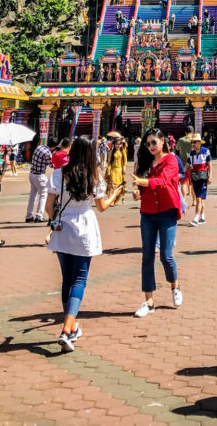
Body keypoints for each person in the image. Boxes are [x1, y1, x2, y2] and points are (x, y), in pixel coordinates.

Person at [45, 135, 124, 351]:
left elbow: (48, 205)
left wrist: (54, 220)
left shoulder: (59, 174)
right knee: (79, 279)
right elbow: (102, 207)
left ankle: (70, 328)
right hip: (84, 225)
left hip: (63, 227)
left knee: (66, 279)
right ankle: (66, 328)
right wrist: (114, 195)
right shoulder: (94, 176)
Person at [132, 130, 183, 315]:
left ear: (162, 141)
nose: (152, 146)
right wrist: (138, 192)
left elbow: (162, 181)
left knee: (166, 256)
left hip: (167, 212)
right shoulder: (146, 163)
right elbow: (143, 187)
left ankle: (175, 286)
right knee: (147, 257)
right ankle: (149, 301)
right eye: (148, 144)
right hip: (147, 212)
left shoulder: (171, 160)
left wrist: (143, 183)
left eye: (154, 142)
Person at [186, 135, 211, 225]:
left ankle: (196, 218)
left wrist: (210, 175)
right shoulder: (191, 153)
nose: (193, 144)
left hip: (202, 177)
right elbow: (187, 165)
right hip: (195, 177)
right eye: (192, 142)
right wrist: (181, 172)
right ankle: (202, 216)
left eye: (194, 142)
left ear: (199, 143)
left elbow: (209, 164)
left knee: (199, 199)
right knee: (199, 198)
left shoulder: (206, 151)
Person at [106, 137, 127, 205]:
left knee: (119, 186)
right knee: (112, 186)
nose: (117, 145)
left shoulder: (122, 151)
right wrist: (108, 170)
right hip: (113, 170)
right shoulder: (112, 152)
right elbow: (109, 162)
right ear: (114, 145)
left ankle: (116, 201)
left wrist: (124, 167)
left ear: (121, 145)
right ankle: (111, 201)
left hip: (120, 171)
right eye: (116, 144)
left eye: (119, 144)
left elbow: (125, 161)